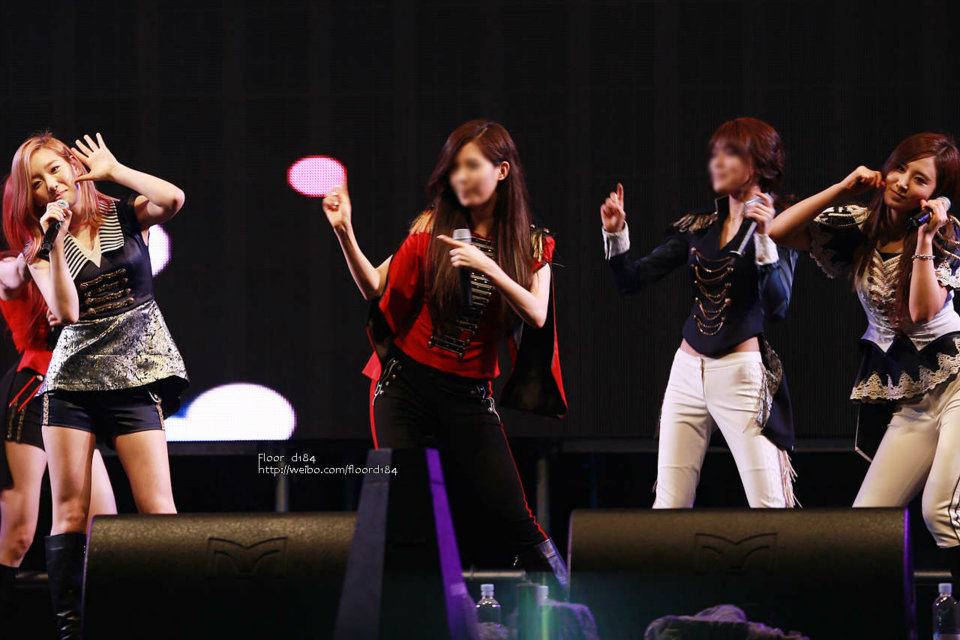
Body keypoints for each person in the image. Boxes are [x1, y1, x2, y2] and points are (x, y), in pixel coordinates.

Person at [324, 120, 568, 593]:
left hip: (470, 396)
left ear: (502, 171)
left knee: (514, 515)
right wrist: (345, 232)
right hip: (405, 387)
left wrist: (487, 265)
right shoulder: (431, 228)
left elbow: (536, 314)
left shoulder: (533, 243)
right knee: (407, 509)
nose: (460, 176)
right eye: (454, 167)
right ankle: (419, 614)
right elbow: (374, 287)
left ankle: (573, 607)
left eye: (471, 165)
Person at [6, 132, 188, 638]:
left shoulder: (123, 216)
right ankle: (72, 631)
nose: (50, 185)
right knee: (69, 512)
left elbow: (173, 199)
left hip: (134, 377)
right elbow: (67, 312)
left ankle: (170, 621)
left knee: (158, 507)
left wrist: (116, 170)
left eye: (54, 170)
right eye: (35, 182)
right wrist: (54, 241)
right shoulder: (40, 247)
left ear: (73, 166)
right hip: (71, 386)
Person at [767, 132, 960, 588]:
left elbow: (920, 313)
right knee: (867, 523)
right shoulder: (858, 224)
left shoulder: (946, 235)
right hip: (912, 400)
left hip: (956, 383)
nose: (902, 183)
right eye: (900, 169)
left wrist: (924, 235)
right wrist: (842, 188)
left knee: (940, 511)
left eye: (920, 180)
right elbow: (777, 231)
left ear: (936, 194)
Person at [600, 117, 799, 508]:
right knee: (669, 506)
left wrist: (764, 239)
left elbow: (778, 307)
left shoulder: (778, 226)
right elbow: (631, 280)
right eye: (715, 155)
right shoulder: (700, 228)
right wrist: (615, 233)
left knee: (770, 506)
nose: (716, 163)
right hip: (686, 373)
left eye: (730, 154)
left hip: (741, 375)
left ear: (756, 164)